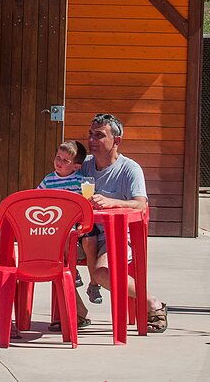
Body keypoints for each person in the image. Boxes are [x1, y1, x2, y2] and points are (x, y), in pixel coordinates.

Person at [80, 113, 167, 332]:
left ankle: (152, 303)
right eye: (90, 134)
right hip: (86, 234)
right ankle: (76, 312)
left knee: (101, 272)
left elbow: (140, 205)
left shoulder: (130, 169)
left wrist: (110, 202)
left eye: (99, 135)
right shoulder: (85, 166)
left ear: (116, 141)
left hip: (116, 235)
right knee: (53, 260)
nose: (91, 140)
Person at [37, 139, 91, 326]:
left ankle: (73, 273)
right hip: (50, 232)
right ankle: (74, 311)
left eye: (65, 160)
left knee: (66, 236)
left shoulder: (80, 182)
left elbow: (86, 208)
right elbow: (36, 199)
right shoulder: (49, 179)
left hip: (73, 235)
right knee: (52, 259)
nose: (59, 162)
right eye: (58, 157)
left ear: (76, 166)